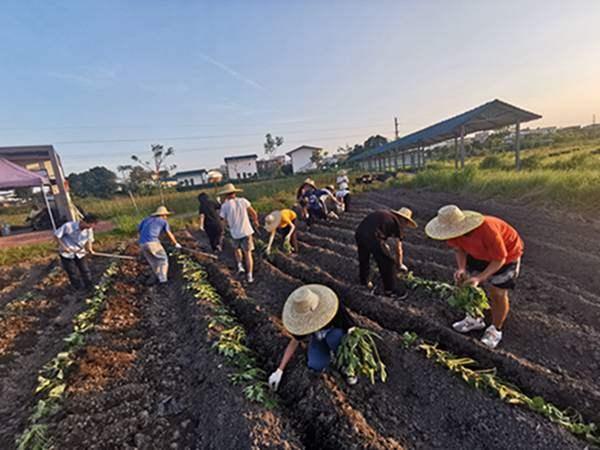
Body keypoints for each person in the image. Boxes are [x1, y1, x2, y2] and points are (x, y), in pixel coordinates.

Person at [425, 205, 524, 349]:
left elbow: (499, 259)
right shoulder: (451, 233)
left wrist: (480, 278)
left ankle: (495, 329)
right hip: (478, 253)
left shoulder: (488, 230)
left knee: (497, 293)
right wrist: (461, 269)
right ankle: (475, 319)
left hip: (507, 255)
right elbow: (459, 249)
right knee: (465, 284)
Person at [268, 284, 356, 391]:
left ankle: (346, 367)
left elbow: (352, 330)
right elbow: (294, 342)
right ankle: (329, 356)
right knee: (315, 365)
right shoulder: (302, 321)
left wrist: (349, 358)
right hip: (319, 338)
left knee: (333, 338)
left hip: (336, 336)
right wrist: (279, 370)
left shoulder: (335, 308)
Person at [355, 208, 417, 297]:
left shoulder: (386, 216)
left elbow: (382, 236)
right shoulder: (396, 223)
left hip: (359, 233)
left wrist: (384, 248)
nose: (406, 225)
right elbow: (398, 248)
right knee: (387, 262)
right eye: (406, 222)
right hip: (372, 236)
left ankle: (364, 282)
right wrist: (399, 264)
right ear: (403, 219)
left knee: (364, 258)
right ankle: (390, 290)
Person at [218, 183, 259, 283]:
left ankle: (240, 266)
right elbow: (253, 213)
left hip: (235, 232)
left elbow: (223, 220)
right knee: (248, 254)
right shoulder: (243, 201)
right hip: (247, 231)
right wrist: (255, 221)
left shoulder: (225, 206)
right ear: (234, 193)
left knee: (237, 249)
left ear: (226, 195)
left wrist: (224, 229)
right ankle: (250, 276)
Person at [138, 206, 182, 285]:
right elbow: (169, 233)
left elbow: (140, 229)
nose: (166, 217)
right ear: (163, 215)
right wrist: (176, 243)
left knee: (153, 262)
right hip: (152, 242)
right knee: (163, 259)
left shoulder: (146, 219)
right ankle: (163, 280)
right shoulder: (163, 221)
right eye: (166, 215)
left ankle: (158, 278)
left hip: (142, 243)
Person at [54, 214, 99, 291]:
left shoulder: (89, 230)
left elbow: (89, 240)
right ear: (83, 221)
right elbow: (56, 236)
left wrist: (90, 249)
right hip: (67, 253)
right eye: (87, 226)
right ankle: (77, 288)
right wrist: (64, 247)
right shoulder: (68, 226)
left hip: (80, 253)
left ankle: (89, 286)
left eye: (90, 227)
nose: (88, 228)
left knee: (85, 270)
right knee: (72, 272)